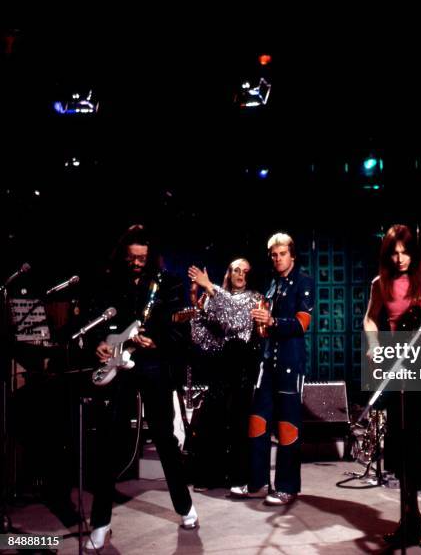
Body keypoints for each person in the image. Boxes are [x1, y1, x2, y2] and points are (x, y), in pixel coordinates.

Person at [85, 225, 197, 551]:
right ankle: (101, 523)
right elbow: (95, 320)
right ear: (124, 255)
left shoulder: (167, 285)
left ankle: (185, 507)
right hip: (118, 369)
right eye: (132, 258)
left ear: (151, 257)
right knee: (109, 443)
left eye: (142, 258)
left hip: (153, 367)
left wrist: (156, 340)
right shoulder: (108, 282)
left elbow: (180, 333)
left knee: (164, 438)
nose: (137, 263)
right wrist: (98, 345)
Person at [363, 224, 421, 549]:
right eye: (394, 253)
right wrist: (373, 345)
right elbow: (370, 319)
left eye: (405, 252)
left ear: (414, 252)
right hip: (395, 367)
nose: (400, 259)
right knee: (397, 447)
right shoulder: (380, 284)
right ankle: (410, 519)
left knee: (412, 443)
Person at [231, 232, 314, 506]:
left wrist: (273, 320)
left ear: (292, 255)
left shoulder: (304, 282)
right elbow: (266, 324)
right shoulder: (272, 285)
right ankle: (258, 483)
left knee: (288, 425)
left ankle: (287, 487)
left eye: (282, 254)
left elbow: (302, 324)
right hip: (267, 362)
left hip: (291, 363)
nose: (278, 259)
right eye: (274, 255)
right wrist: (261, 325)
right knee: (257, 420)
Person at [186, 259, 262, 490]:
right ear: (229, 273)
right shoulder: (215, 295)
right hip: (222, 364)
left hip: (242, 364)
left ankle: (239, 478)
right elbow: (201, 337)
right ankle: (210, 476)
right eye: (236, 270)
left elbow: (236, 320)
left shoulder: (254, 298)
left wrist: (210, 287)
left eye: (245, 271)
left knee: (239, 421)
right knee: (211, 419)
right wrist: (198, 308)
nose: (240, 275)